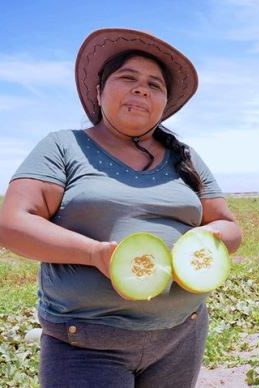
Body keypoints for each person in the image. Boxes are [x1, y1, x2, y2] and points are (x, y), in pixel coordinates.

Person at [0, 28, 242, 387]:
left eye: (154, 85)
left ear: (163, 103)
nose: (141, 88)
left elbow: (229, 226)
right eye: (127, 77)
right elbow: (13, 224)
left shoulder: (185, 156)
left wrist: (208, 237)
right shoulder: (64, 147)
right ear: (99, 91)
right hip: (85, 342)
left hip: (182, 335)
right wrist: (95, 253)